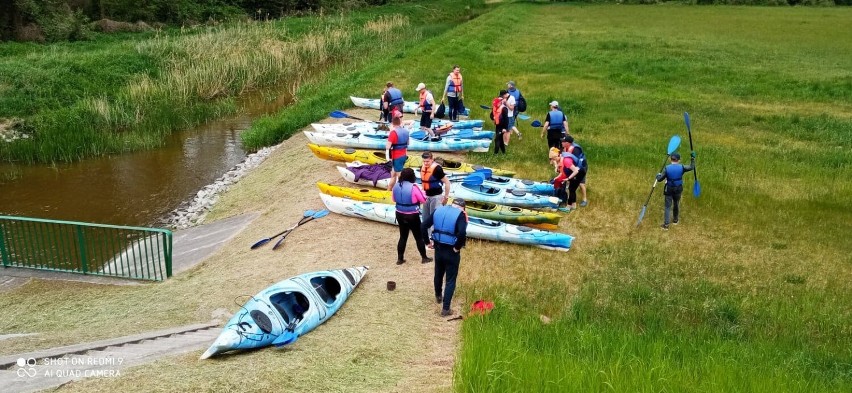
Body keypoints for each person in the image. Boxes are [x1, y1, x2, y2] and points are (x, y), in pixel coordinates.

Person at [422, 198, 468, 316]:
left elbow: (423, 226)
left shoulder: (438, 210)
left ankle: (438, 296)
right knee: (450, 280)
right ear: (463, 208)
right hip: (452, 252)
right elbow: (462, 233)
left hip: (438, 249)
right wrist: (457, 247)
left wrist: (427, 242)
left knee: (438, 273)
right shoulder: (461, 215)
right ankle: (446, 309)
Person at [392, 168, 433, 264]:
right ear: (412, 176)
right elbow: (423, 200)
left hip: (399, 213)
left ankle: (400, 259)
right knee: (418, 237)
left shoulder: (396, 186)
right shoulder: (414, 187)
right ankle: (424, 258)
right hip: (412, 215)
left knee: (403, 236)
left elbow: (394, 199)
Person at [419, 151, 451, 249]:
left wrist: (445, 197)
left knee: (434, 219)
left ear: (432, 159)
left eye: (427, 161)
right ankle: (427, 239)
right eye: (424, 161)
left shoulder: (437, 169)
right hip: (427, 197)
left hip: (436, 197)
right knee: (425, 219)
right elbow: (423, 183)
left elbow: (447, 182)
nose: (426, 163)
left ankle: (434, 240)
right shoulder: (423, 167)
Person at [656, 152, 696, 230]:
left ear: (671, 159)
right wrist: (692, 159)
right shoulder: (682, 167)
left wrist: (657, 175)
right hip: (678, 189)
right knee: (676, 204)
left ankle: (666, 225)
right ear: (679, 160)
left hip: (669, 189)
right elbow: (691, 167)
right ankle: (675, 220)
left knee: (667, 206)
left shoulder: (667, 168)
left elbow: (659, 179)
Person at [552, 136, 585, 211]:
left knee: (572, 189)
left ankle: (568, 207)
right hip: (576, 171)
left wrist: (568, 178)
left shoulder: (566, 160)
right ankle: (573, 205)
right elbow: (563, 171)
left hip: (579, 172)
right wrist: (557, 177)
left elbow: (576, 171)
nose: (554, 161)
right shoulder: (562, 157)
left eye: (554, 159)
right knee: (571, 188)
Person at [561, 135, 589, 207]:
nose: (561, 143)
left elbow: (576, 161)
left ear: (568, 143)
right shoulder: (566, 147)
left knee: (581, 183)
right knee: (571, 184)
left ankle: (584, 200)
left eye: (563, 142)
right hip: (573, 167)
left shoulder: (576, 149)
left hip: (581, 167)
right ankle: (571, 202)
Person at [385, 112, 409, 190]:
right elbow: (408, 143)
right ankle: (389, 190)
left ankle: (404, 190)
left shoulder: (393, 133)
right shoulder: (406, 131)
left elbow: (387, 147)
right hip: (403, 155)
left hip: (396, 157)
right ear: (400, 122)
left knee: (400, 176)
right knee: (393, 174)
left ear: (393, 124)